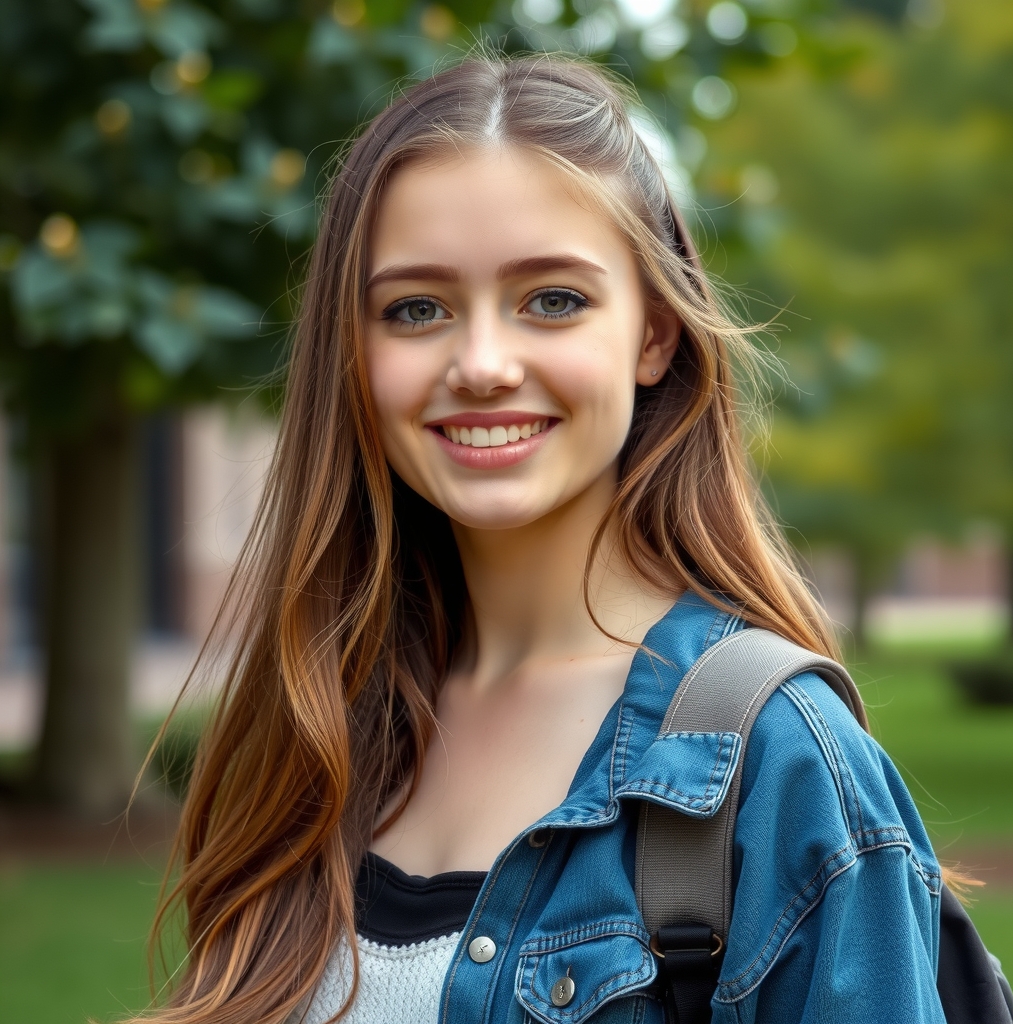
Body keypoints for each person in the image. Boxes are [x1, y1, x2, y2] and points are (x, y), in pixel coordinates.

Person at [138, 56, 948, 1024]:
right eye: (417, 309)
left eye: (552, 299)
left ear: (653, 334)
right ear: (353, 353)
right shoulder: (316, 730)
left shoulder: (777, 763)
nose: (481, 364)